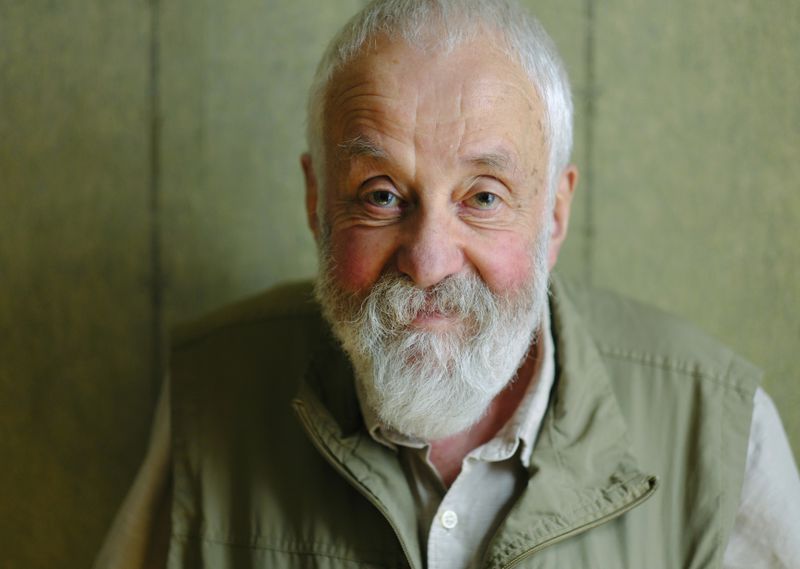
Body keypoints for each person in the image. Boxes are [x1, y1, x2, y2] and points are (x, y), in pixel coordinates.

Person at [95, 1, 800, 567]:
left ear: (553, 215)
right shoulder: (210, 391)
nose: (429, 261)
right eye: (379, 195)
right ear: (317, 203)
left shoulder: (719, 434)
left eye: (483, 198)